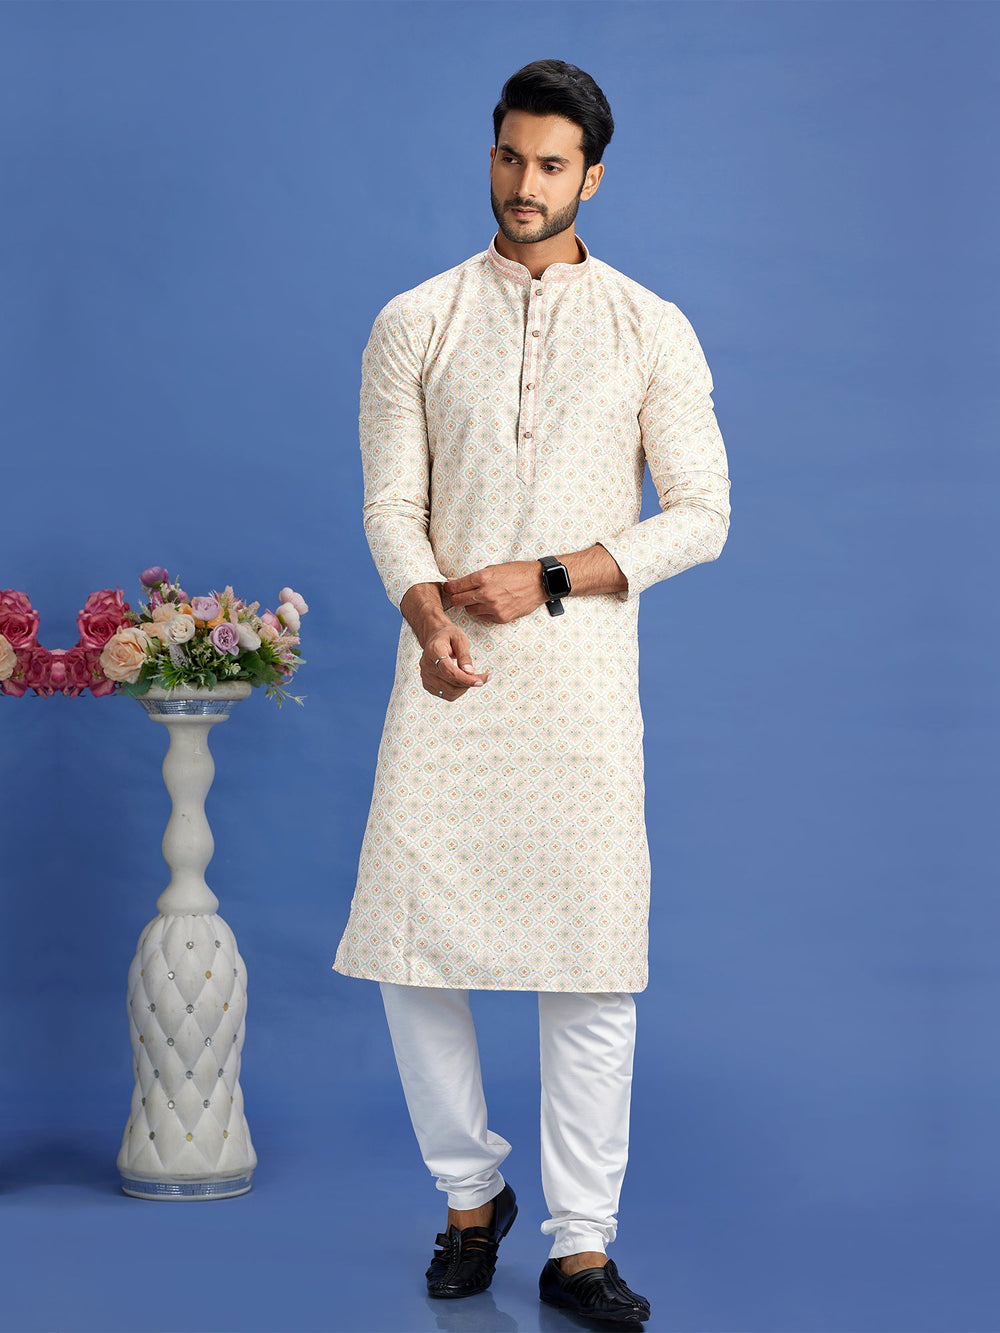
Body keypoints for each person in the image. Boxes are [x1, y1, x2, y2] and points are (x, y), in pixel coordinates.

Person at [333, 58, 731, 1324]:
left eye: (551, 164)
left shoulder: (648, 326)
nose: (525, 183)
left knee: (592, 967)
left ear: (590, 178)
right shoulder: (417, 319)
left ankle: (580, 1248)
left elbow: (704, 514)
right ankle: (468, 1198)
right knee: (409, 953)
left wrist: (549, 575)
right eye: (510, 156)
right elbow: (391, 507)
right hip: (446, 680)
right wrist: (426, 618)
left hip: (581, 694)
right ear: (491, 155)